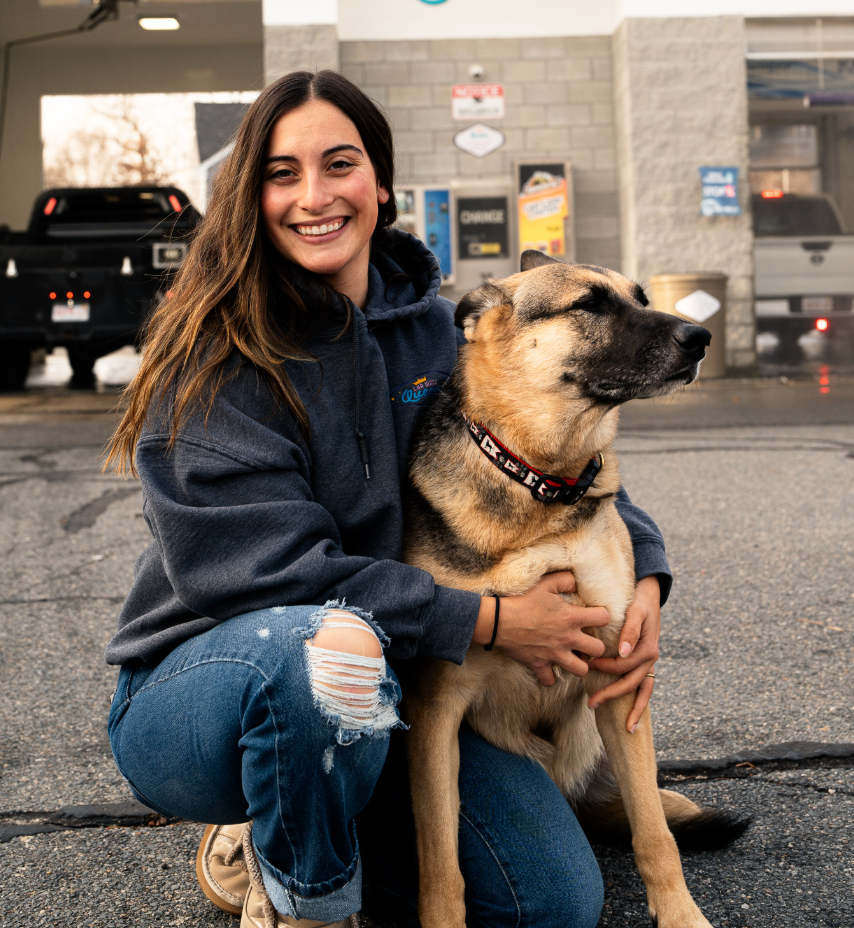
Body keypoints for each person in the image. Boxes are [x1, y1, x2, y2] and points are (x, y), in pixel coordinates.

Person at [105, 70, 668, 928]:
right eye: (282, 173)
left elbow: (554, 460)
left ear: (381, 183)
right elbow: (271, 576)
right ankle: (297, 884)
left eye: (341, 164)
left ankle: (332, 805)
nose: (315, 195)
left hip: (397, 680)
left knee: (549, 901)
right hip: (214, 682)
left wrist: (645, 583)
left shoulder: (449, 334)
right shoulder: (213, 360)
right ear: (249, 195)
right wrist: (491, 623)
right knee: (320, 650)